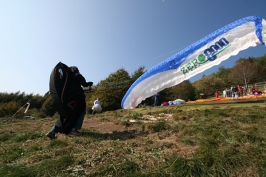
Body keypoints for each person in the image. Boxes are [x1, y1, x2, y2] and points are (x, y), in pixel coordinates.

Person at [46, 62, 93, 139]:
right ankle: (74, 129)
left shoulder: (67, 78)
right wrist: (88, 84)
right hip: (77, 99)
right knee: (81, 111)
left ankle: (52, 131)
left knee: (65, 115)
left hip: (67, 100)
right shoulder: (77, 75)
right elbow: (84, 84)